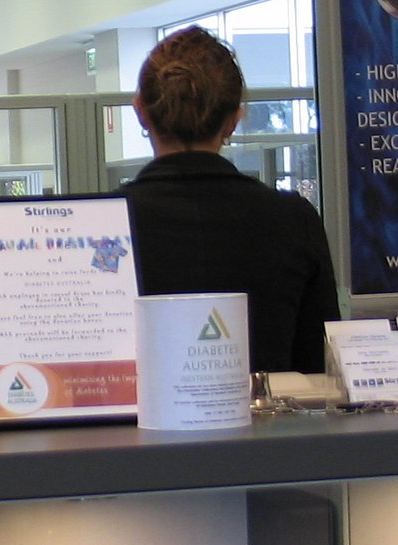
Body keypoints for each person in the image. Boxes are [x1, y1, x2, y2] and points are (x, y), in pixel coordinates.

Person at [121, 25, 341, 373]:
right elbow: (319, 366)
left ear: (140, 113)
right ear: (234, 121)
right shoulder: (293, 221)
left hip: (133, 429)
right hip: (272, 426)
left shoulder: (103, 226)